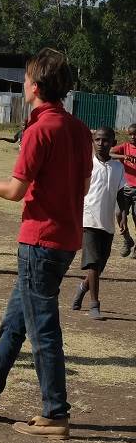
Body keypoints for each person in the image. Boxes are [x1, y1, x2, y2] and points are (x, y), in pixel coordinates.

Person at [0, 48, 92, 440]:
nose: (24, 84)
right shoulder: (79, 130)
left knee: (41, 327)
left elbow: (15, 191)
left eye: (27, 78)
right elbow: (83, 187)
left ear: (35, 86)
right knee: (15, 321)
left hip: (39, 241)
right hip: (65, 240)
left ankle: (55, 413)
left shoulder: (38, 131)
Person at [71, 127, 126, 320]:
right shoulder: (87, 165)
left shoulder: (118, 168)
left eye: (106, 140)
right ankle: (95, 305)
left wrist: (123, 217)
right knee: (92, 264)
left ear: (113, 142)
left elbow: (120, 194)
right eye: (98, 140)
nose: (102, 144)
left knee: (99, 266)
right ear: (92, 142)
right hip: (88, 220)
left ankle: (81, 288)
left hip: (107, 224)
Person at [112, 124, 136, 257]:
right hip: (125, 188)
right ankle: (127, 240)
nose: (133, 137)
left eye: (135, 134)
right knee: (118, 214)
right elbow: (108, 152)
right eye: (130, 134)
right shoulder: (125, 147)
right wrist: (124, 157)